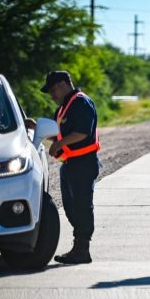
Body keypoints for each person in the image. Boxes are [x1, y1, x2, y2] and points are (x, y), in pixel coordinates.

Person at [42, 71, 101, 265]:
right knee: (71, 207)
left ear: (61, 84)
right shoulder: (63, 109)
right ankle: (78, 247)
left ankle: (82, 249)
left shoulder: (81, 102)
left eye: (52, 90)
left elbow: (82, 132)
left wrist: (59, 144)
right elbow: (59, 135)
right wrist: (37, 128)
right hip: (70, 164)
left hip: (84, 163)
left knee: (82, 206)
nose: (52, 95)